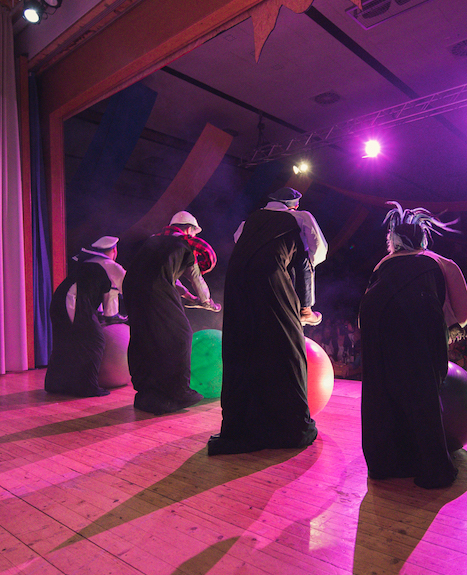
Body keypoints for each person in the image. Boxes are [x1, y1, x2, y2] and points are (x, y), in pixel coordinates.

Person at [358, 202, 467, 489]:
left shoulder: (383, 263)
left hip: (375, 324)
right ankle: (433, 469)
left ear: (393, 241)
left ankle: (384, 464)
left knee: (380, 393)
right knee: (423, 393)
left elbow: (367, 304)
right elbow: (465, 309)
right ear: (423, 239)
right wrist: (451, 327)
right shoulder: (440, 261)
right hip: (420, 323)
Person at [208, 190, 325, 455]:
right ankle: (290, 426)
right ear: (294, 205)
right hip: (269, 281)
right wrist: (306, 306)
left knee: (243, 348)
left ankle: (241, 426)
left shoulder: (249, 221)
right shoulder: (299, 218)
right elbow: (308, 260)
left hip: (236, 285)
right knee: (286, 349)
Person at [123, 212, 220, 414]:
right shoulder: (185, 245)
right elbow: (196, 278)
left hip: (132, 288)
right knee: (180, 335)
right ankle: (179, 391)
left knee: (145, 337)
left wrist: (188, 297)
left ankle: (147, 394)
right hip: (155, 290)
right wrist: (207, 302)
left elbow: (165, 275)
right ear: (189, 229)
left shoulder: (154, 241)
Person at [234, 187, 327, 325]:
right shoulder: (301, 216)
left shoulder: (252, 218)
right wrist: (311, 261)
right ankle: (305, 310)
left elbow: (238, 239)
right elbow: (318, 245)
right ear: (295, 205)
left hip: (248, 267)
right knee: (304, 258)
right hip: (283, 266)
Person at [45, 240, 117, 397]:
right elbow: (125, 285)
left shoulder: (88, 262)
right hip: (73, 303)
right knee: (94, 341)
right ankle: (87, 386)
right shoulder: (108, 265)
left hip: (59, 301)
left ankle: (55, 384)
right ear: (114, 251)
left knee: (65, 342)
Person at [69, 236, 127, 322]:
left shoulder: (87, 262)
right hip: (83, 311)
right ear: (114, 250)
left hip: (72, 305)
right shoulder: (111, 266)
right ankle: (111, 315)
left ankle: (101, 313)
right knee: (112, 287)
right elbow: (127, 286)